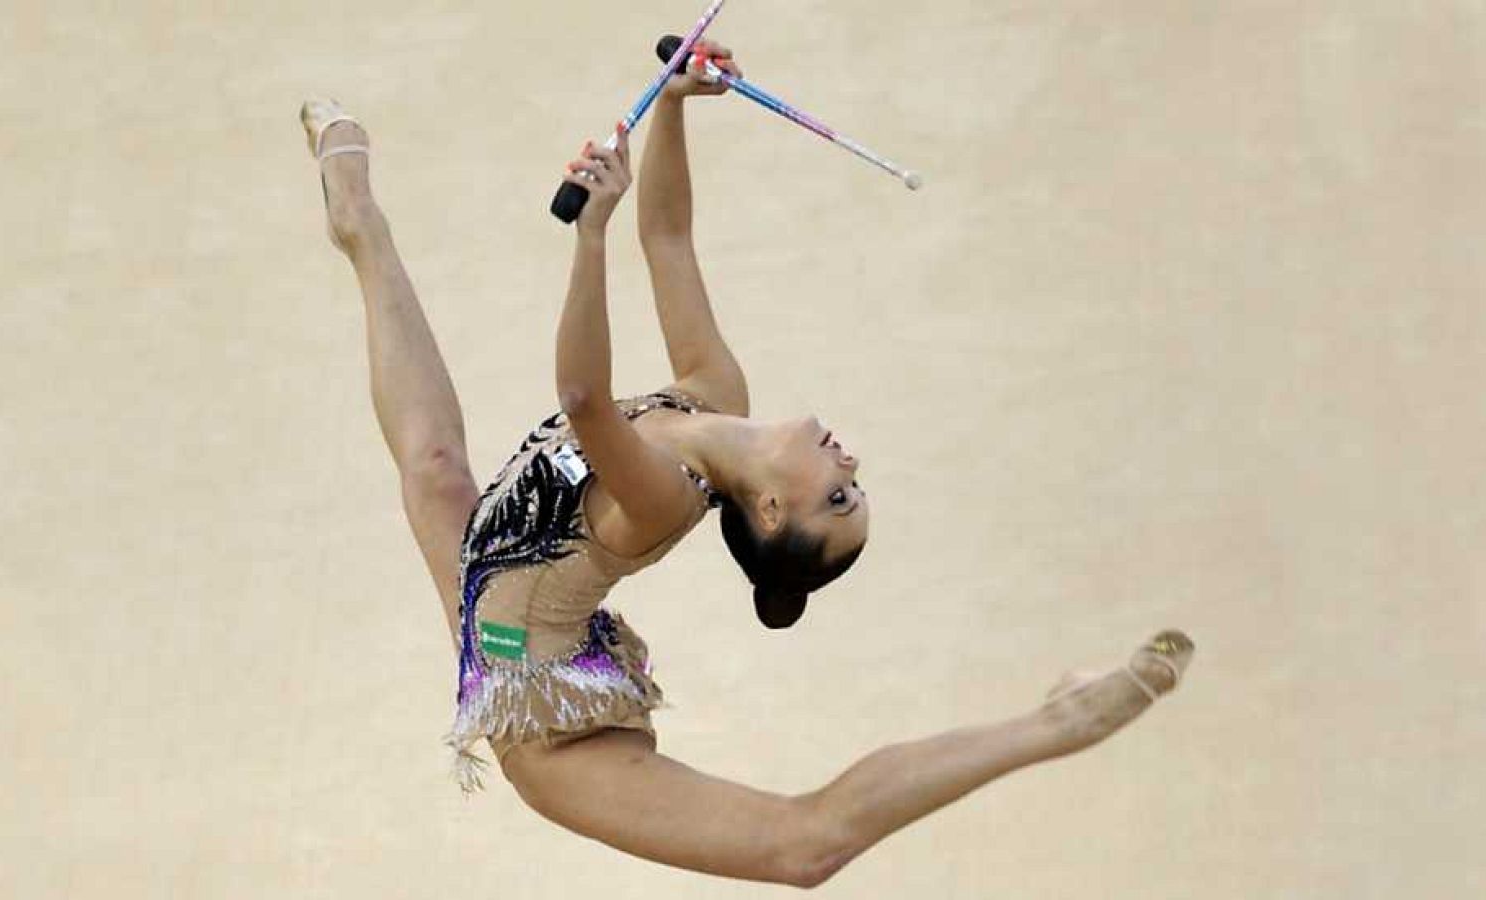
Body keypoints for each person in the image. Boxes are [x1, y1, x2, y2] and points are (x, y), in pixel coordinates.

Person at [300, 42, 1194, 888]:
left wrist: (588, 235)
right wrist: (679, 110)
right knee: (433, 465)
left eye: (837, 496)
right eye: (854, 489)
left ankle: (1061, 719)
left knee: (803, 847)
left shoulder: (656, 500)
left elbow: (583, 397)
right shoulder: (713, 391)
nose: (849, 463)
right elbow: (673, 240)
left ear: (768, 508)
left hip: (552, 734)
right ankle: (358, 220)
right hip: (502, 603)